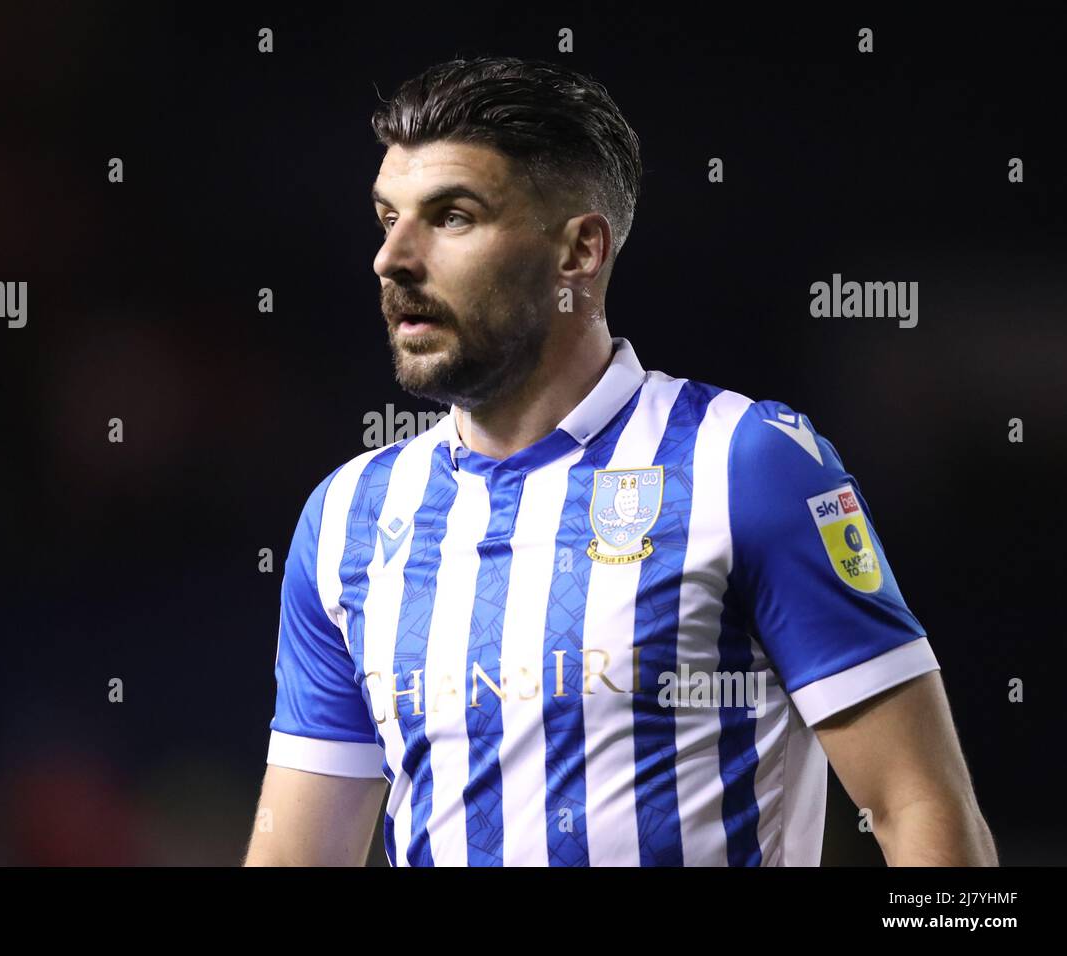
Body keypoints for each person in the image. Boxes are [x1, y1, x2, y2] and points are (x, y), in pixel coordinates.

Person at [244, 56, 997, 867]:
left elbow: (920, 808)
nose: (392, 257)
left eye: (452, 216)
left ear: (580, 252)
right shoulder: (349, 515)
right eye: (387, 217)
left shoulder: (746, 464)